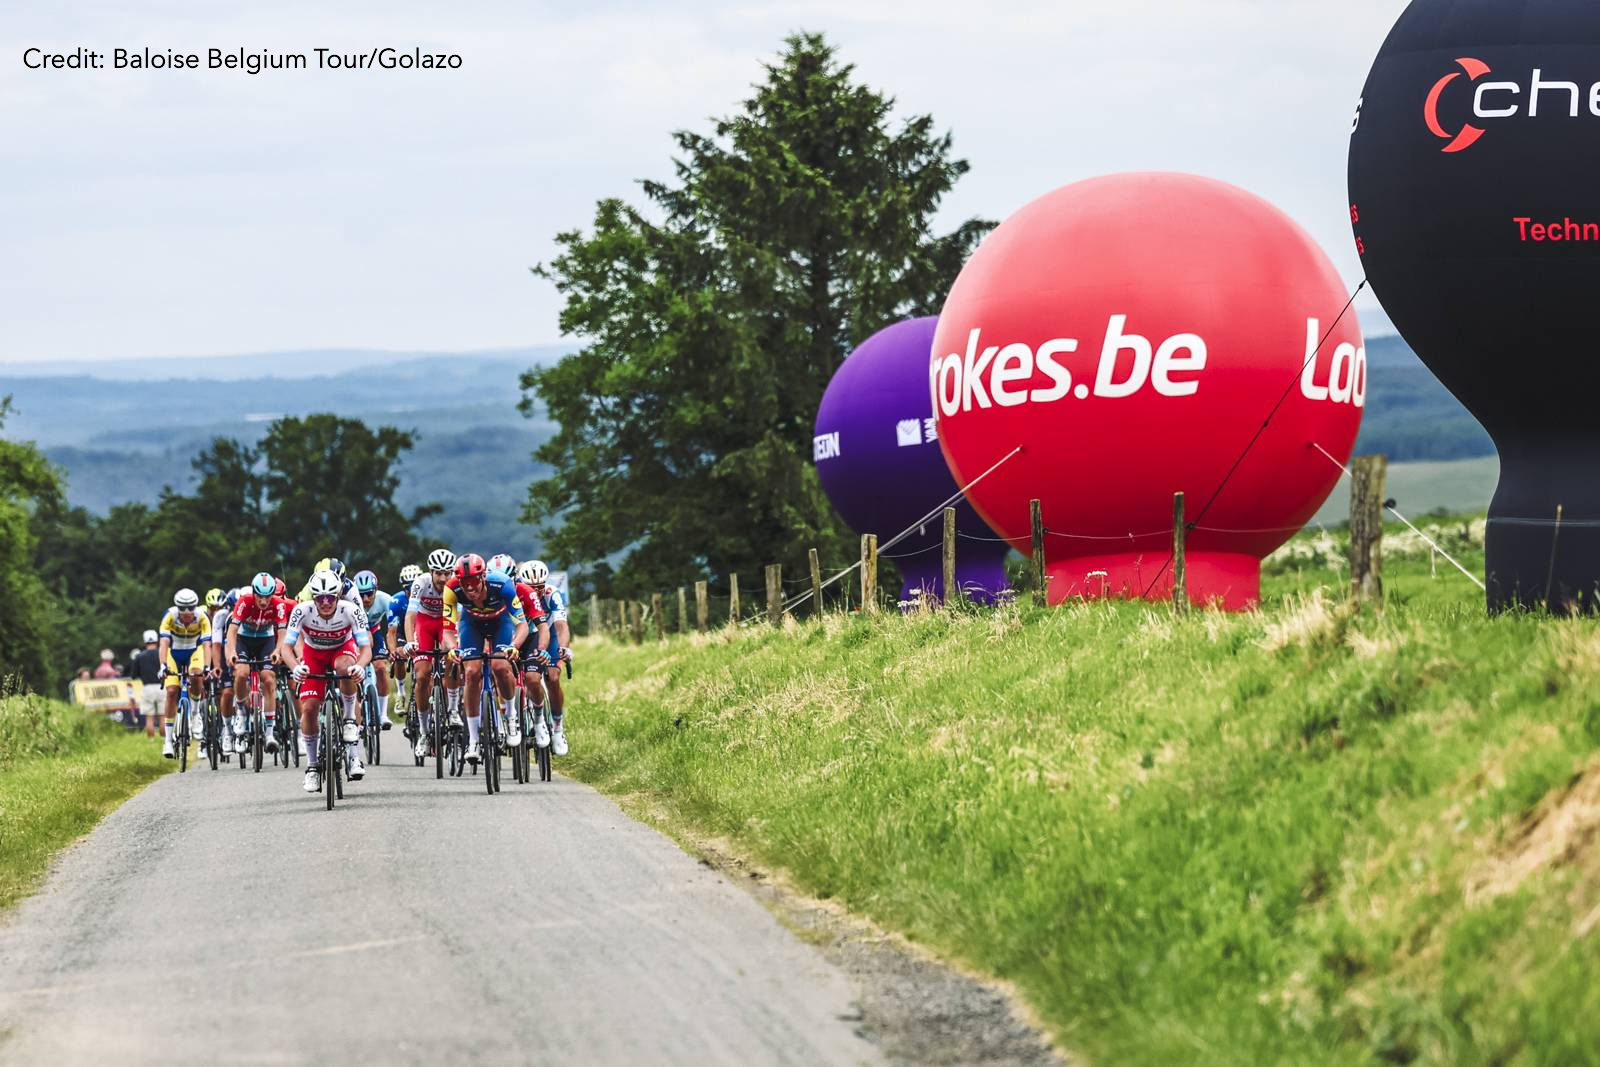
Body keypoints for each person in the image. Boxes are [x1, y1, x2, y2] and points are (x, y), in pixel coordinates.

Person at [279, 569, 372, 793]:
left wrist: (359, 666)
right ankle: (312, 767)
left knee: (345, 667)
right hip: (314, 654)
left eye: (330, 597)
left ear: (338, 595)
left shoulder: (350, 610)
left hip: (343, 649)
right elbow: (286, 647)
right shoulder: (302, 610)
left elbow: (366, 647)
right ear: (314, 597)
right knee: (309, 708)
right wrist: (295, 668)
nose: (326, 603)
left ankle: (350, 722)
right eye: (320, 598)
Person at [441, 553, 527, 765]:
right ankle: (473, 740)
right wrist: (452, 648)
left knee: (500, 665)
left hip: (501, 624)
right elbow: (447, 630)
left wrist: (514, 647)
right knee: (471, 672)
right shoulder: (452, 589)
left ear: (483, 577)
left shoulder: (503, 585)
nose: (469, 588)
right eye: (464, 582)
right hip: (472, 625)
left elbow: (522, 625)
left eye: (473, 581)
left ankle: (510, 715)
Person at [402, 548, 460, 756]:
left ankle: (452, 710)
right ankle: (425, 733)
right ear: (431, 572)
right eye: (438, 573)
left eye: (447, 573)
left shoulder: (456, 584)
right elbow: (410, 616)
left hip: (446, 623)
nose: (443, 578)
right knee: (422, 674)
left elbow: (459, 618)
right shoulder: (421, 583)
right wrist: (410, 642)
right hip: (425, 624)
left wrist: (456, 642)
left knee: (453, 659)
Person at [227, 572, 291, 754]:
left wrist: (278, 651)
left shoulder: (278, 605)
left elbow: (283, 633)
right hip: (244, 640)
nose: (263, 601)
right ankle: (240, 711)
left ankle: (270, 734)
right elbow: (232, 631)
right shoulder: (245, 601)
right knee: (241, 673)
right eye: (260, 596)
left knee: (269, 679)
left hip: (266, 640)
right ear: (253, 592)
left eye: (268, 596)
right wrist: (231, 651)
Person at [518, 560, 573, 756]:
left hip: (549, 636)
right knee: (530, 679)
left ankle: (558, 728)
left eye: (539, 587)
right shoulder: (516, 593)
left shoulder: (551, 594)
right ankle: (537, 718)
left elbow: (561, 626)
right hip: (526, 636)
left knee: (553, 677)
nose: (536, 591)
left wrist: (564, 648)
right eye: (531, 587)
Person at [158, 588, 211, 759]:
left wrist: (207, 667)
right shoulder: (170, 616)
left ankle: (195, 714)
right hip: (173, 653)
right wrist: (162, 665)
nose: (187, 612)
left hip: (194, 652)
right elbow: (164, 643)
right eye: (183, 608)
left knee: (197, 675)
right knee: (172, 691)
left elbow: (207, 645)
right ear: (178, 607)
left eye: (190, 608)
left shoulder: (202, 616)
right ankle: (167, 740)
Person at [353, 570, 396, 731]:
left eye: (369, 594)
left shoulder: (385, 599)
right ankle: (356, 713)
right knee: (354, 673)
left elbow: (393, 627)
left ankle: (383, 714)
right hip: (355, 633)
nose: (365, 599)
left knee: (380, 667)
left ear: (376, 590)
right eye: (361, 594)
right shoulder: (351, 601)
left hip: (375, 631)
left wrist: (393, 648)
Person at [131, 629, 163, 738]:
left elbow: (134, 675)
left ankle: (151, 740)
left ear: (145, 642)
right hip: (161, 686)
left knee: (149, 717)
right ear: (157, 641)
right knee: (163, 716)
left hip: (147, 687)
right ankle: (164, 740)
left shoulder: (140, 656)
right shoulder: (162, 653)